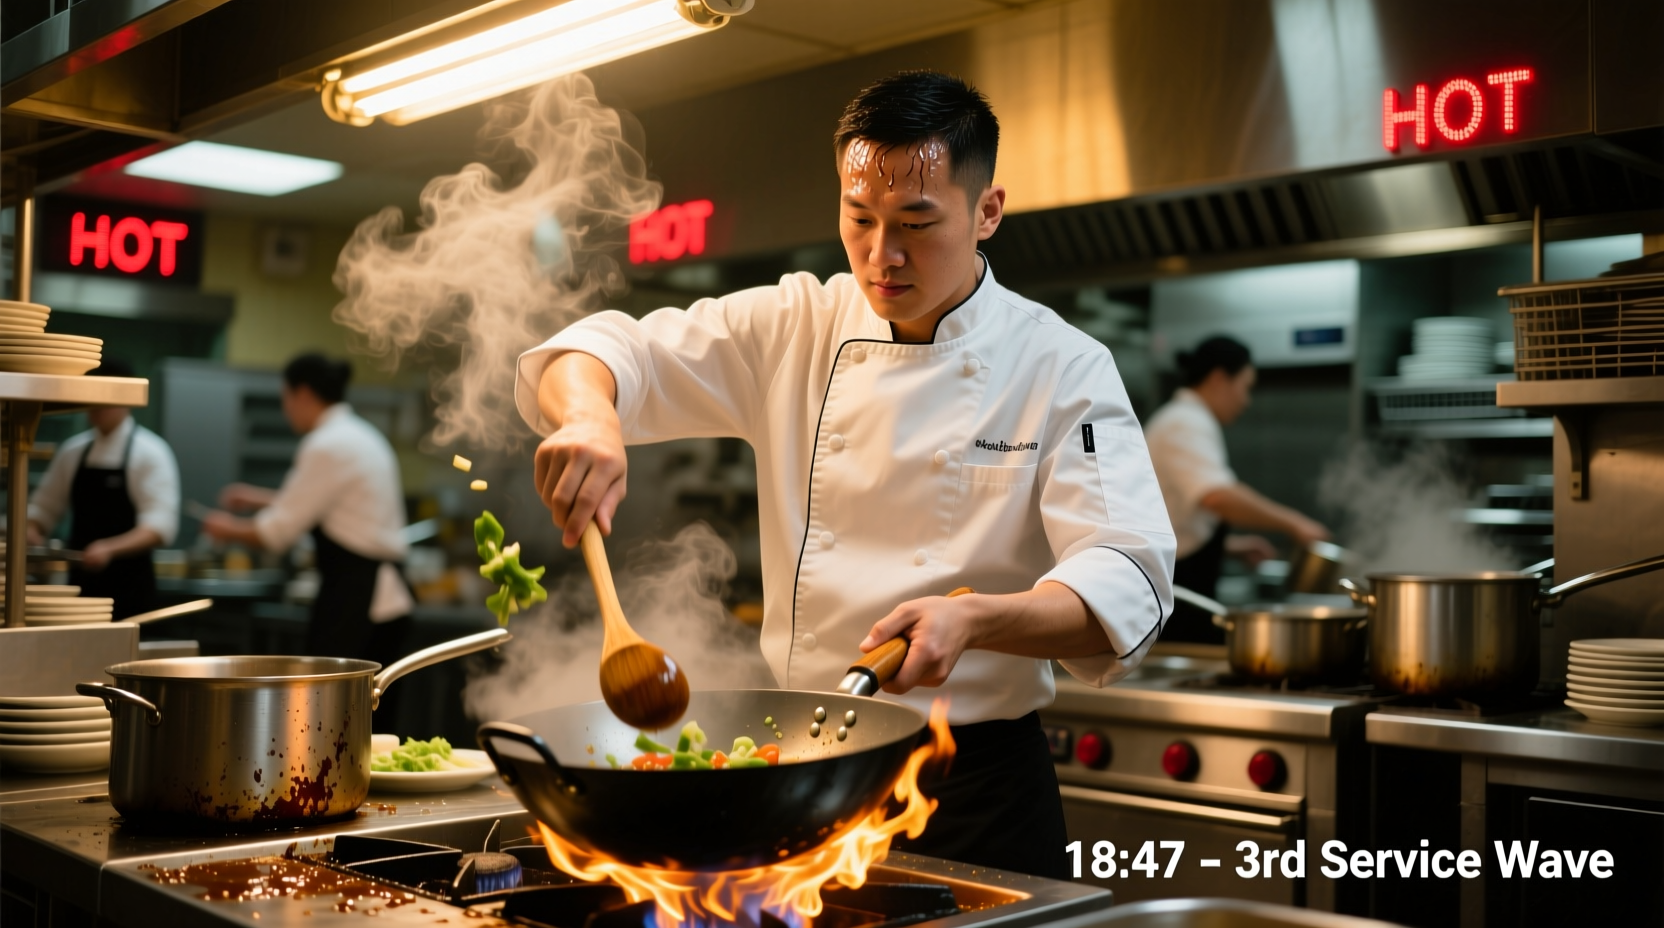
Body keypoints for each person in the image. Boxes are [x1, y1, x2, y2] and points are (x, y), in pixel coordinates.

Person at [515, 71, 1175, 879]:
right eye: (858, 219)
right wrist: (590, 416)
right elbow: (604, 350)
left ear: (987, 212)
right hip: (805, 777)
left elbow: (1128, 578)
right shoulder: (795, 323)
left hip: (974, 792)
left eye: (915, 224)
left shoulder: (1062, 365)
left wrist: (977, 621)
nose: (880, 255)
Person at [201, 353, 413, 663]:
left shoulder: (326, 444)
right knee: (369, 708)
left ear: (302, 394)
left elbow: (275, 534)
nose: (285, 408)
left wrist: (222, 527)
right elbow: (328, 503)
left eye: (285, 398)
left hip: (356, 602)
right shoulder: (362, 435)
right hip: (381, 600)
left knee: (335, 709)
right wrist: (257, 498)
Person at [1144, 336, 1330, 642]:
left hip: (1180, 586)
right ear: (1219, 379)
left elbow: (1174, 519)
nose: (1246, 400)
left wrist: (1233, 548)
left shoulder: (1185, 419)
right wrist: (1294, 523)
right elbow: (1218, 495)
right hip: (1173, 597)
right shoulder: (1184, 422)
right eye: (1245, 387)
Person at [27, 358, 180, 619]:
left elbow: (159, 527)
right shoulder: (73, 451)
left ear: (126, 398)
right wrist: (31, 530)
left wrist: (110, 548)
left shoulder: (151, 453)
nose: (96, 405)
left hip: (130, 593)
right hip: (79, 590)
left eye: (104, 396)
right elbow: (44, 508)